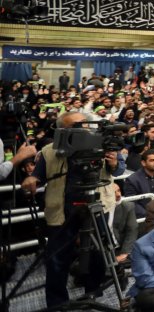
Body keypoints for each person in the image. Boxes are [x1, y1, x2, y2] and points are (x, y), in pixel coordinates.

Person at [20, 112, 113, 307]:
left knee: (97, 256)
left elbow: (112, 172)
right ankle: (57, 303)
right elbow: (38, 177)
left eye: (85, 124)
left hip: (94, 208)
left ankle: (93, 295)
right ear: (63, 130)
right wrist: (32, 180)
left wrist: (113, 162)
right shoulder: (49, 151)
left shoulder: (99, 145)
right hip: (62, 212)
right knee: (57, 260)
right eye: (77, 125)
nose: (83, 128)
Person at [122, 148, 154, 218]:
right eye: (152, 160)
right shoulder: (132, 180)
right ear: (143, 163)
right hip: (145, 217)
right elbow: (132, 202)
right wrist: (148, 215)